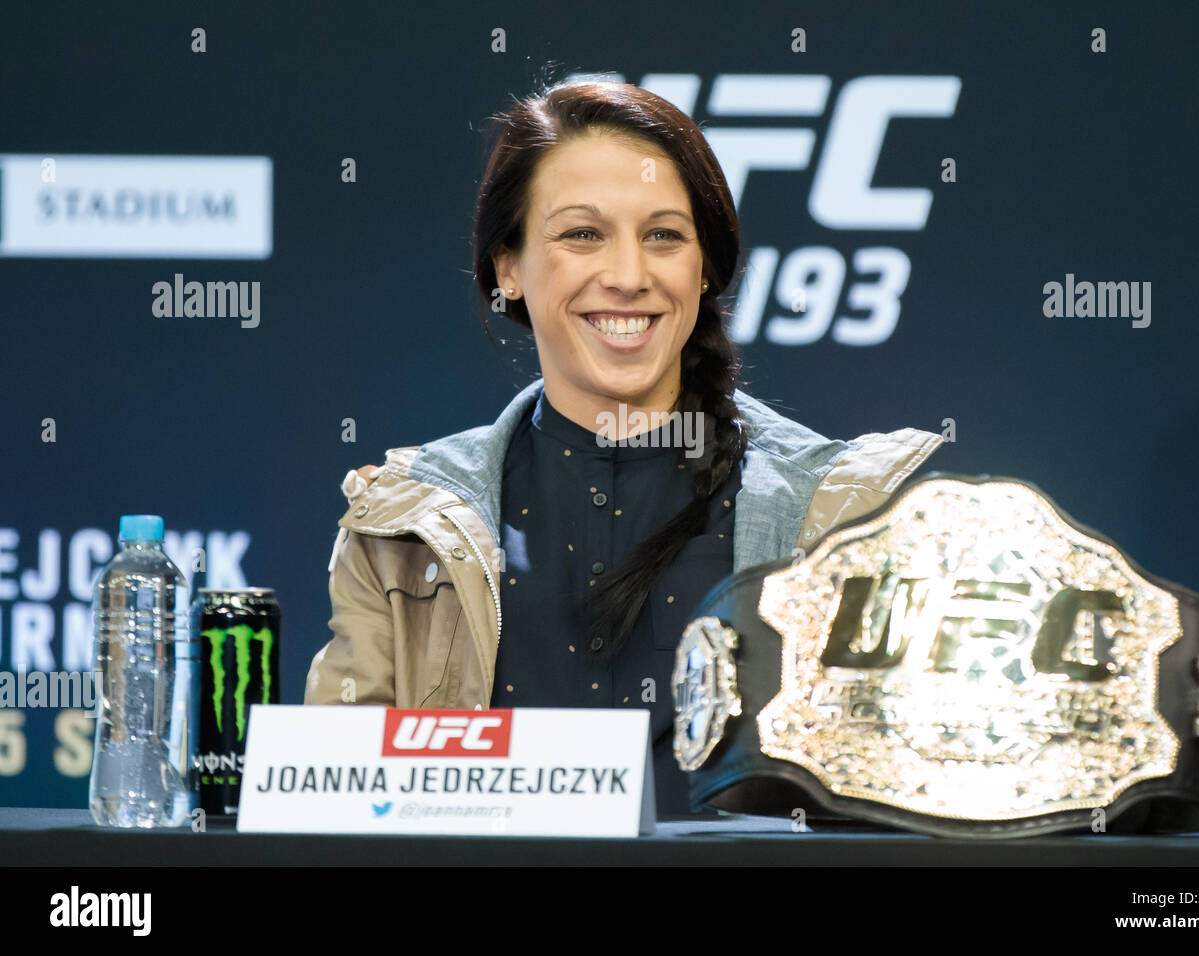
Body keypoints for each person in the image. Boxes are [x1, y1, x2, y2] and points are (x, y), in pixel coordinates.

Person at [304, 80, 943, 816]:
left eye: (664, 236)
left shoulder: (851, 519)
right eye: (583, 234)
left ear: (704, 269)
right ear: (506, 267)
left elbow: (909, 807)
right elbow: (336, 810)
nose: (629, 276)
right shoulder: (404, 524)